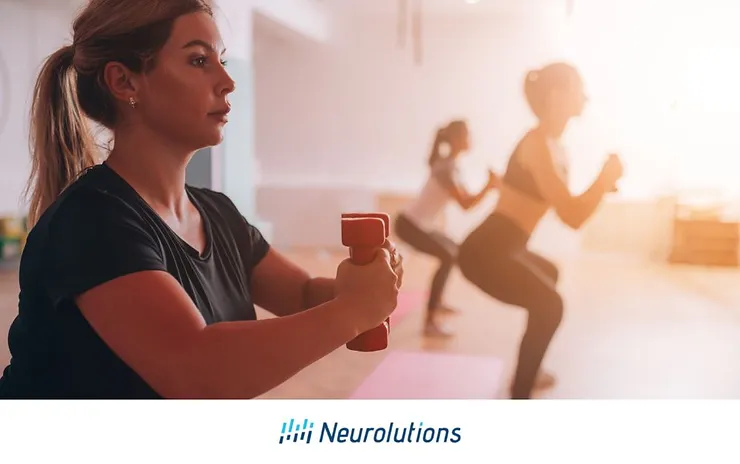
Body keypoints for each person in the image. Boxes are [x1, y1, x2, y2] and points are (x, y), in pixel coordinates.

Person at [0, 0, 403, 399]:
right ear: (125, 83)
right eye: (198, 61)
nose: (227, 81)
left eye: (222, 61)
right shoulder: (90, 222)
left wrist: (369, 283)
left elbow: (301, 296)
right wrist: (351, 311)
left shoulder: (217, 214)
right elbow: (200, 372)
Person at [457, 63, 624, 399]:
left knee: (549, 274)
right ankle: (521, 392)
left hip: (508, 246)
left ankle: (528, 369)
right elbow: (573, 216)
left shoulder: (556, 147)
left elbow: (573, 208)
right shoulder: (535, 144)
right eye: (579, 87)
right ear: (557, 96)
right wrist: (604, 179)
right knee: (551, 305)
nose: (585, 96)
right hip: (483, 251)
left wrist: (601, 185)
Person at [394, 120, 498, 337]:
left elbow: (466, 199)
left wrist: (489, 186)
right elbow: (466, 204)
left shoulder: (450, 165)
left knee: (454, 252)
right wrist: (489, 186)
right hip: (409, 225)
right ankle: (430, 321)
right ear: (456, 140)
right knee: (448, 257)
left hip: (420, 224)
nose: (471, 139)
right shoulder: (446, 168)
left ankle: (437, 300)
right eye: (467, 135)